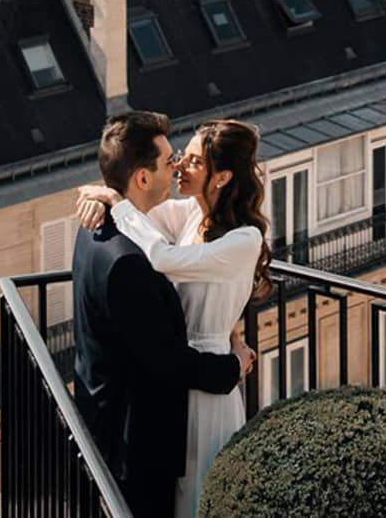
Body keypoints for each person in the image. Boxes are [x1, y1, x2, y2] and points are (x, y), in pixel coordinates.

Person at [77, 118, 272, 518]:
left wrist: (233, 359)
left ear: (222, 177)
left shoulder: (243, 240)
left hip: (209, 378)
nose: (181, 166)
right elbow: (139, 205)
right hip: (181, 376)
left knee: (202, 492)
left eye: (195, 161)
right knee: (178, 495)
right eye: (180, 157)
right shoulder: (188, 215)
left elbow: (161, 255)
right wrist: (103, 193)